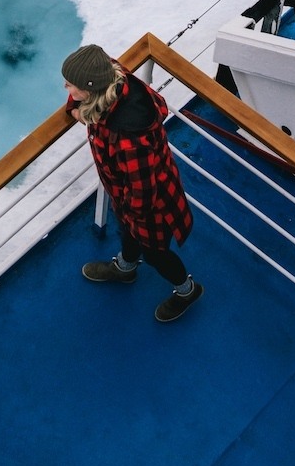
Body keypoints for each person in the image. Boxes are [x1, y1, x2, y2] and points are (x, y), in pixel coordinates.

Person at [60, 44, 203, 322]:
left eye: (71, 85)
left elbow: (143, 190)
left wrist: (130, 213)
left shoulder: (129, 136)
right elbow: (82, 103)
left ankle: (187, 290)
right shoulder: (113, 78)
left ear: (91, 89)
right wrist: (78, 111)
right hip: (126, 195)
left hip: (149, 205)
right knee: (127, 231)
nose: (66, 87)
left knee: (156, 254)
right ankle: (126, 268)